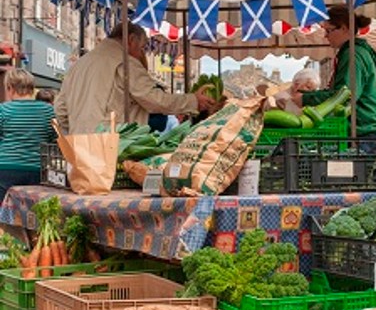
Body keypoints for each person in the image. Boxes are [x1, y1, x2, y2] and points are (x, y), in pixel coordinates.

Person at [54, 22, 216, 134]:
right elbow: (154, 100)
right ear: (131, 40)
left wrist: (80, 128)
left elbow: (61, 109)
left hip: (78, 147)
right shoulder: (125, 63)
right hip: (110, 146)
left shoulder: (79, 65)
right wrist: (193, 101)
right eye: (142, 48)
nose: (141, 54)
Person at [290, 5, 376, 179]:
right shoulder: (350, 53)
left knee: (363, 190)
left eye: (329, 31)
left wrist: (306, 99)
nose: (325, 36)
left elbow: (345, 95)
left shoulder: (354, 55)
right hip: (367, 132)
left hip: (368, 132)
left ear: (344, 28)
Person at [0, 69, 56, 202]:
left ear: (10, 88)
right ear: (32, 88)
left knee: (4, 210)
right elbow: (54, 138)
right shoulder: (48, 110)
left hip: (6, 168)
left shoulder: (3, 110)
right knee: (33, 211)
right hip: (37, 170)